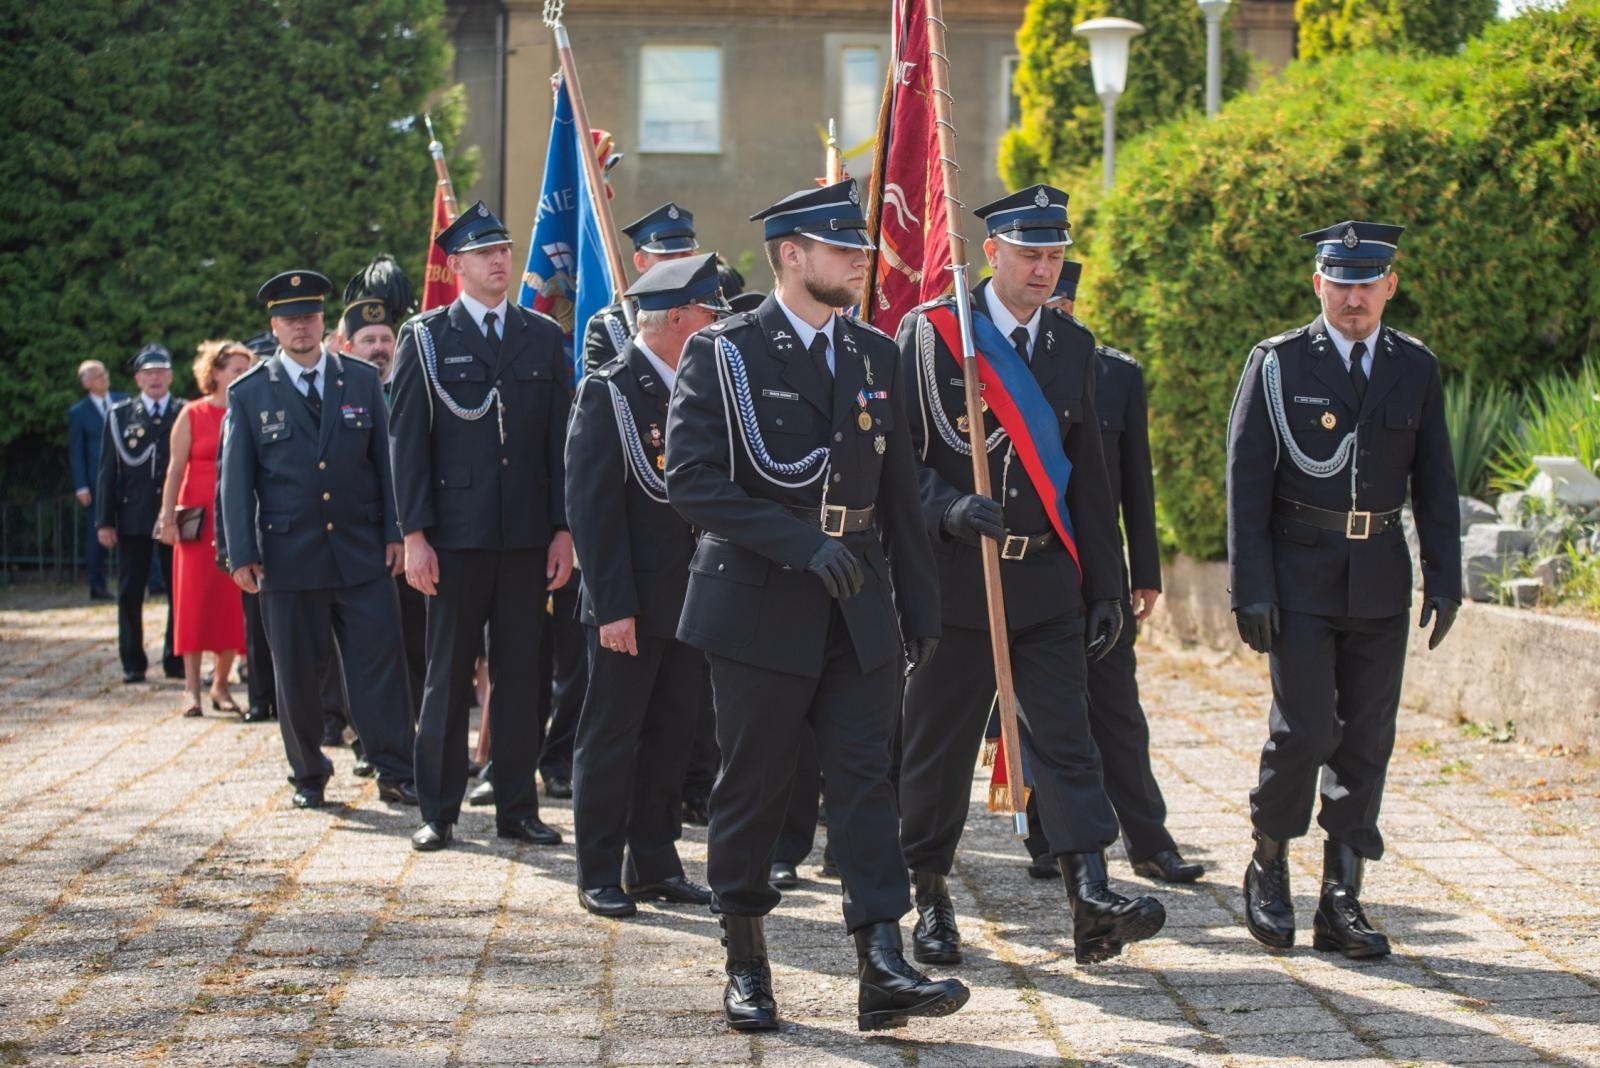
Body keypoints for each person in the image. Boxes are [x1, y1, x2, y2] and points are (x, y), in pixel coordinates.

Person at [665, 178, 966, 1033]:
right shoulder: (723, 352)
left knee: (867, 782)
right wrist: (801, 541)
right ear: (792, 256)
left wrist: (925, 607)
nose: (858, 261)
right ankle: (748, 961)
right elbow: (691, 482)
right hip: (759, 599)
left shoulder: (877, 353)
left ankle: (881, 962)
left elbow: (902, 490)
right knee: (755, 785)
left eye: (860, 248)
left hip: (860, 599)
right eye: (842, 249)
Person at [895, 186, 1165, 969]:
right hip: (957, 581)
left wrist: (1107, 585)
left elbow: (1090, 482)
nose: (1044, 269)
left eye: (1054, 254)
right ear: (994, 255)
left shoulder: (1073, 348)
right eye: (1030, 254)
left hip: (1044, 579)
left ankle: (1090, 897)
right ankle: (930, 895)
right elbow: (898, 465)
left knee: (1067, 739)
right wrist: (948, 506)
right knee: (938, 748)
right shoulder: (933, 335)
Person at [1227, 220, 1461, 959]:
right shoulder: (1277, 364)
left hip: (1380, 577)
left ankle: (1341, 895)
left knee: (1366, 740)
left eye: (1367, 283)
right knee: (1304, 731)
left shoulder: (1413, 367)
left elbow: (1437, 482)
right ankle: (1268, 862)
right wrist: (1249, 588)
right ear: (1318, 283)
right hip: (1298, 576)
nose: (1354, 297)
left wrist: (1447, 577)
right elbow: (1246, 482)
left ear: (1389, 285)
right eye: (1341, 281)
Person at [1005, 264, 1202, 885]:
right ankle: (1046, 838)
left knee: (1116, 708)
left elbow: (1133, 485)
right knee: (1028, 709)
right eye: (1047, 300)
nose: (1055, 310)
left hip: (1097, 571)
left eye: (1064, 300)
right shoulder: (992, 364)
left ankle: (1149, 840)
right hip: (1021, 561)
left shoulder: (1113, 371)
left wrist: (1143, 571)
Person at [389, 201, 575, 852]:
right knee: (446, 679)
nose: (500, 261)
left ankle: (516, 806)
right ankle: (437, 810)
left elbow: (561, 445)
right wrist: (414, 535)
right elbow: (407, 443)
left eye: (505, 250)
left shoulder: (543, 337)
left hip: (526, 538)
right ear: (457, 264)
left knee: (523, 678)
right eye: (485, 253)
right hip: (455, 540)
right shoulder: (427, 337)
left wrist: (563, 529)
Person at [220, 269, 418, 810]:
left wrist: (396, 531)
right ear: (274, 327)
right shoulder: (250, 392)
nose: (300, 326)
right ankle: (308, 773)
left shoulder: (357, 379)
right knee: (298, 673)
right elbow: (235, 482)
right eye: (289, 318)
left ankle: (396, 769)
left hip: (360, 551)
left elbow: (385, 462)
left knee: (380, 665)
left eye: (308, 315)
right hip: (288, 557)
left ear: (322, 321)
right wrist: (240, 552)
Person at [566, 254, 727, 918]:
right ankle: (599, 869)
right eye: (708, 315)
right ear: (679, 319)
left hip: (690, 597)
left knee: (673, 734)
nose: (715, 326)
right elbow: (592, 509)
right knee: (612, 737)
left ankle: (655, 862)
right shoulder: (608, 390)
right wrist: (612, 607)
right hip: (628, 603)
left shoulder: (700, 385)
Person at [340, 294, 422, 732]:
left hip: (416, 536)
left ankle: (417, 736)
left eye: (386, 338)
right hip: (363, 540)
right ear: (346, 346)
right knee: (366, 647)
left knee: (416, 642)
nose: (379, 348)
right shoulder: (337, 394)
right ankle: (365, 738)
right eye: (368, 339)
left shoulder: (414, 388)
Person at [157, 340, 250, 717]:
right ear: (214, 373)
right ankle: (191, 689)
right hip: (196, 521)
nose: (242, 376)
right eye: (235, 370)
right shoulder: (192, 414)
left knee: (231, 604)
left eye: (247, 370)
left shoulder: (247, 412)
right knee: (193, 604)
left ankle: (221, 685)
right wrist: (166, 518)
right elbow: (174, 469)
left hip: (235, 518)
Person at [97, 344, 184, 683]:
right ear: (137, 378)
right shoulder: (120, 415)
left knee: (179, 591)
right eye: (148, 372)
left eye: (161, 371)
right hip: (133, 517)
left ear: (171, 375)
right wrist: (104, 521)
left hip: (176, 516)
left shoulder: (183, 411)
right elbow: (107, 472)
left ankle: (175, 660)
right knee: (130, 592)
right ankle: (133, 662)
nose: (155, 377)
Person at [581, 202, 700, 374]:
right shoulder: (611, 325)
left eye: (686, 254)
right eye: (666, 256)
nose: (678, 263)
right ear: (640, 262)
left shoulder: (712, 314)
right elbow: (604, 394)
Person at [69, 360, 124, 601]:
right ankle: (97, 586)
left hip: (127, 479)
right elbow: (76, 451)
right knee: (97, 536)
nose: (104, 378)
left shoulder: (125, 401)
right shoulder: (78, 413)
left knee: (138, 531)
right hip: (96, 483)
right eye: (98, 375)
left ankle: (152, 582)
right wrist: (81, 485)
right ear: (86, 383)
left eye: (105, 373)